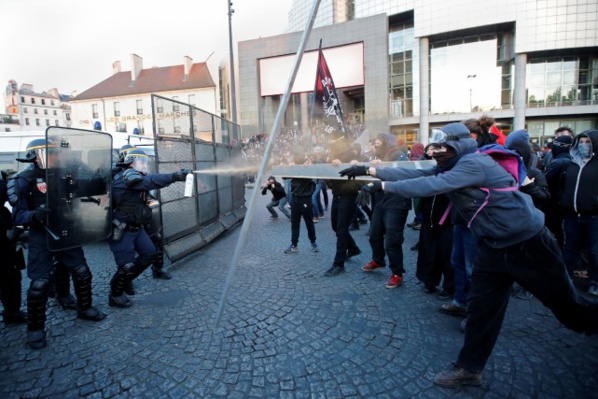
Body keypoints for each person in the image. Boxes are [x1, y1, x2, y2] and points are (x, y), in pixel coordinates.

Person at [340, 122, 598, 387]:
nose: (436, 152)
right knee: (481, 311)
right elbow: (415, 171)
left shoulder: (473, 164)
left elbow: (432, 184)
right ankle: (469, 368)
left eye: (442, 147)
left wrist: (382, 188)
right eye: (435, 146)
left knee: (566, 306)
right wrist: (369, 170)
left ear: (458, 145)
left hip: (528, 243)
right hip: (491, 245)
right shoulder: (452, 163)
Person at [8, 138, 107, 349]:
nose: (58, 156)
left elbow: (85, 190)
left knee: (82, 271)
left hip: (66, 231)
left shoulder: (64, 174)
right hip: (41, 235)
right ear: (36, 157)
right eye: (51, 153)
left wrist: (103, 174)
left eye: (58, 153)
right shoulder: (22, 180)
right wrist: (34, 215)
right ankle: (35, 329)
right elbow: (17, 217)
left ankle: (85, 308)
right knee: (39, 284)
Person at [108, 148, 191, 308]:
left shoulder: (135, 176)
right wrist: (175, 176)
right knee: (126, 266)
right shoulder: (125, 177)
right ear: (131, 163)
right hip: (122, 229)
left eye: (146, 162)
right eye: (142, 161)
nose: (145, 165)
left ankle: (126, 281)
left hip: (136, 227)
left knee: (149, 254)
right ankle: (115, 294)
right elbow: (151, 181)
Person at [360, 133, 411, 289]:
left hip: (397, 203)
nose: (374, 146)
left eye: (378, 143)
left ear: (386, 143)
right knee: (374, 234)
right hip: (381, 202)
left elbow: (403, 173)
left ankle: (397, 274)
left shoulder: (399, 155)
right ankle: (378, 260)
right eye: (374, 143)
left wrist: (381, 166)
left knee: (392, 241)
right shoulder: (376, 157)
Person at [560, 130, 598, 296]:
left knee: (595, 251)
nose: (583, 145)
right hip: (572, 215)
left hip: (594, 216)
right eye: (580, 142)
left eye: (587, 142)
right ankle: (566, 279)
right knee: (570, 248)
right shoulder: (572, 164)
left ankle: (595, 281)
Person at [324, 137, 362, 276]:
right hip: (337, 195)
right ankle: (353, 248)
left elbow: (359, 175)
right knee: (336, 227)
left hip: (348, 196)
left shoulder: (351, 155)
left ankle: (339, 264)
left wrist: (347, 164)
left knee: (341, 230)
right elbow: (330, 181)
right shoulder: (332, 157)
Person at [0, 170, 27, 324]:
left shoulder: (4, 212)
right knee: (10, 278)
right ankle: (12, 312)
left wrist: (13, 242)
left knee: (11, 278)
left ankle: (12, 312)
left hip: (4, 246)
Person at [283, 152, 318, 254]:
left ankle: (313, 242)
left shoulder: (308, 169)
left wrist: (307, 167)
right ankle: (294, 245)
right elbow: (284, 177)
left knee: (309, 222)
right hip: (295, 199)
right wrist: (289, 168)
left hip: (305, 199)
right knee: (294, 223)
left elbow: (314, 177)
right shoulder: (294, 170)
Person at [543, 135, 573, 248]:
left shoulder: (558, 163)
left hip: (554, 203)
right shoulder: (573, 161)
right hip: (565, 202)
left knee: (553, 230)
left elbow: (544, 180)